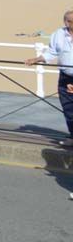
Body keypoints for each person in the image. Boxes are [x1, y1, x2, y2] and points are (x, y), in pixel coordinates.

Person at [25, 11, 73, 147]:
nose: (71, 23)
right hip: (65, 77)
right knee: (69, 109)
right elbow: (52, 52)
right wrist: (36, 59)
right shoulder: (58, 34)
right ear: (65, 22)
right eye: (69, 21)